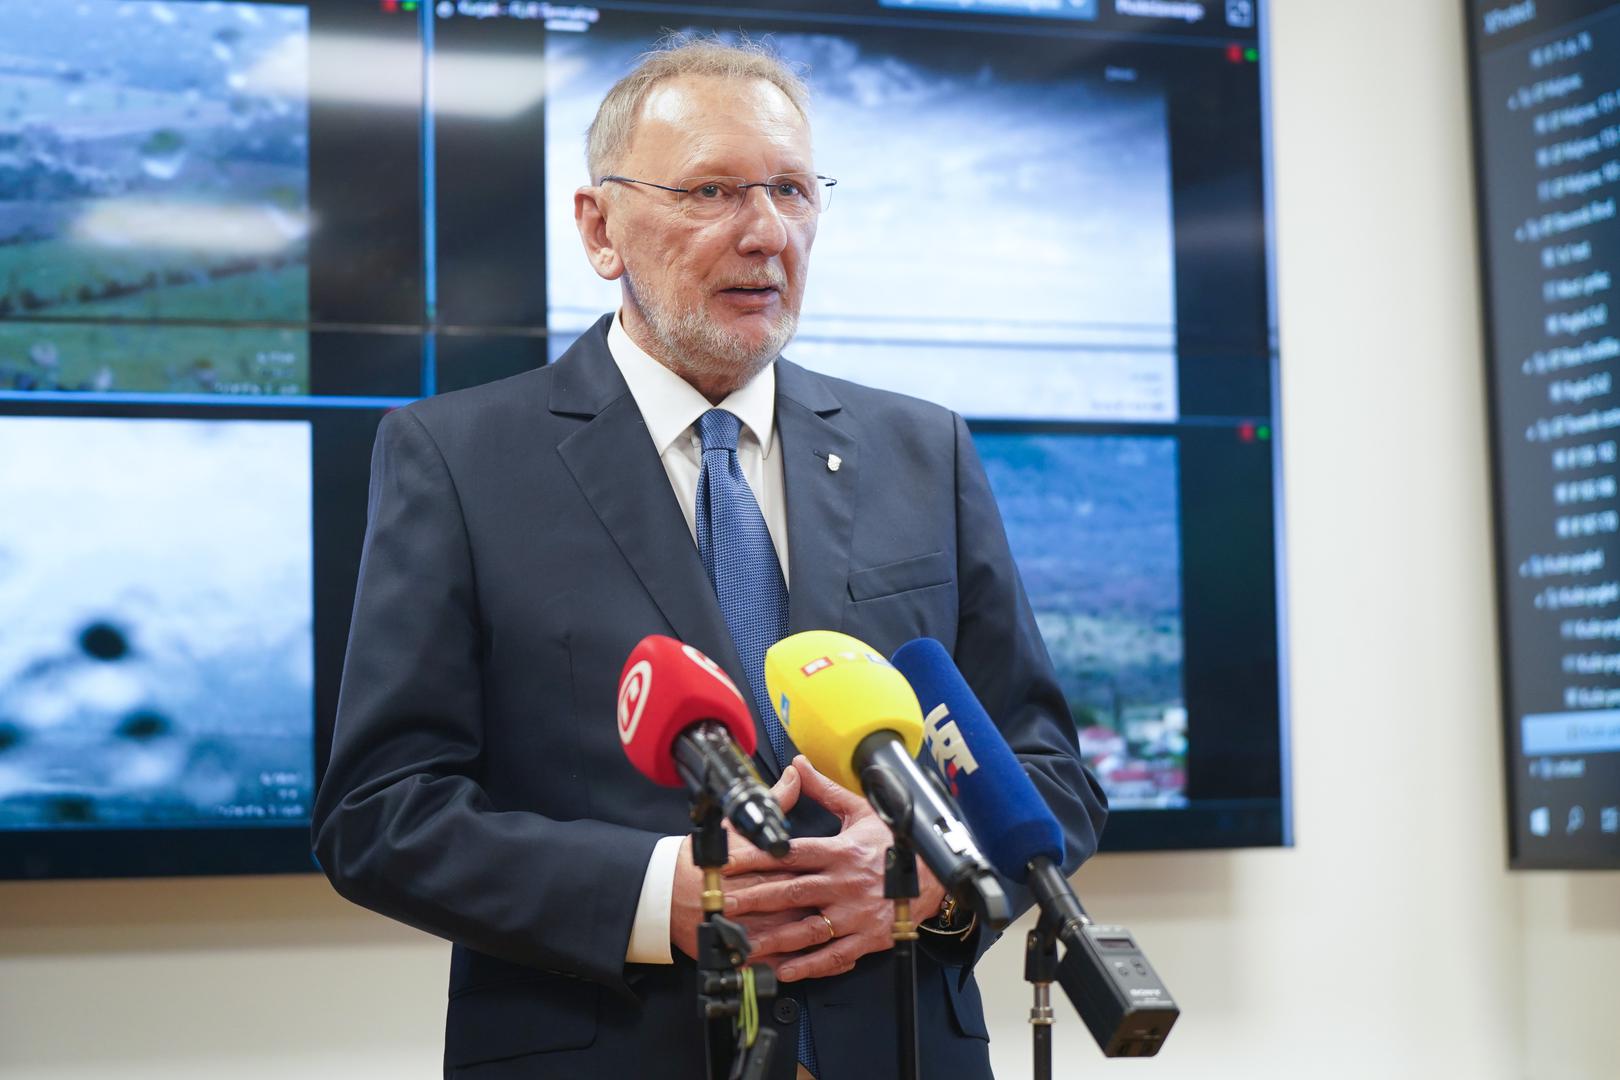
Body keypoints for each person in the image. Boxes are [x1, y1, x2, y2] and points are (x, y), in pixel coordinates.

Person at [312, 36, 1107, 1080]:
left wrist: (932, 869)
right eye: (712, 191)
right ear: (599, 228)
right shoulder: (457, 458)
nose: (766, 231)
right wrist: (660, 895)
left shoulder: (925, 450)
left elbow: (1046, 771)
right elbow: (381, 813)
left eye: (791, 190)